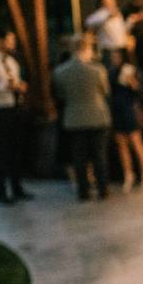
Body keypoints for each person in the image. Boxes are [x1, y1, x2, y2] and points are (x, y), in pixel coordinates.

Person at [52, 35, 113, 201]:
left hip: (73, 117)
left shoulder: (60, 72)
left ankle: (83, 190)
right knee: (99, 155)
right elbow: (105, 91)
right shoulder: (97, 70)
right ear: (86, 49)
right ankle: (102, 189)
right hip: (97, 115)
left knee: (79, 157)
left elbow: (61, 95)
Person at [0, 28, 31, 205]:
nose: (13, 43)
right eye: (10, 40)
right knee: (0, 149)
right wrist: (4, 87)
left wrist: (19, 87)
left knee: (15, 148)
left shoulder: (12, 61)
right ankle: (0, 192)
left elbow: (14, 82)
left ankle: (17, 187)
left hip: (14, 108)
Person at [107, 49, 143, 193]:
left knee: (136, 142)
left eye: (116, 56)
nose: (114, 59)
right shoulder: (112, 73)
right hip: (117, 110)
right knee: (122, 144)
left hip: (129, 109)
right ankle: (128, 174)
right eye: (113, 56)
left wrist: (133, 83)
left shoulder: (133, 71)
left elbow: (141, 93)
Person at [84, 0, 128, 65]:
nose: (112, 1)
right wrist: (108, 17)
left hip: (122, 49)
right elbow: (88, 22)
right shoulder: (101, 13)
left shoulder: (118, 13)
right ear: (102, 2)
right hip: (109, 50)